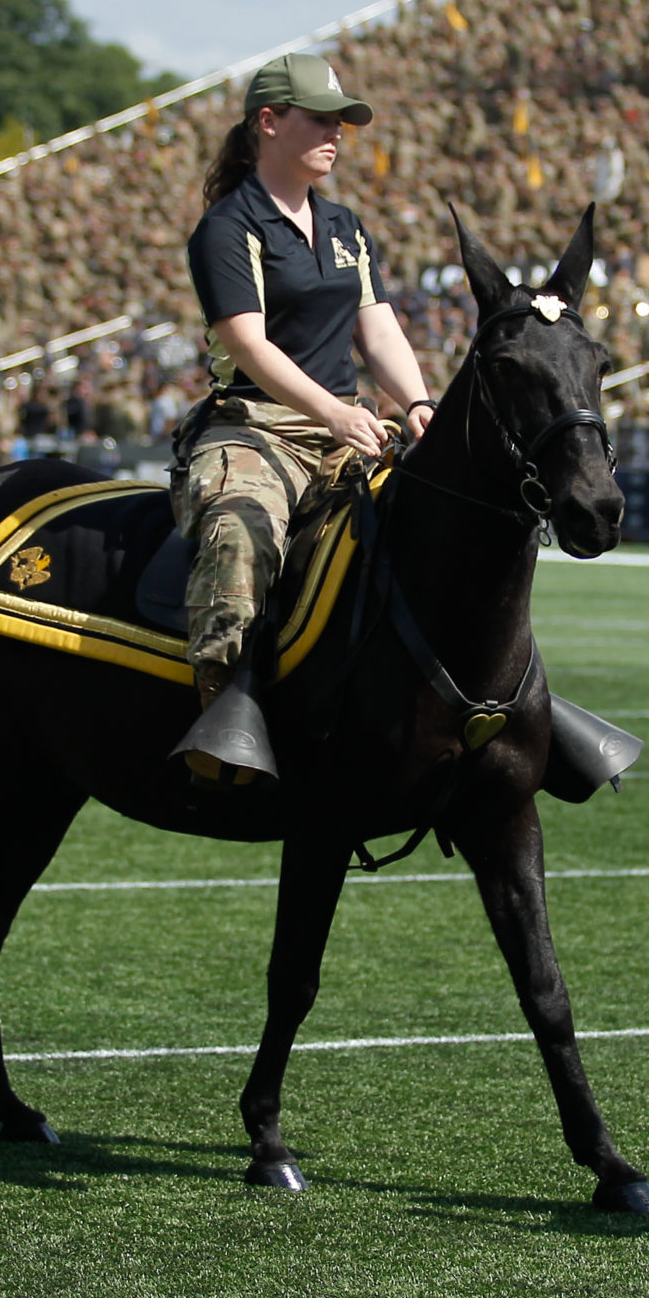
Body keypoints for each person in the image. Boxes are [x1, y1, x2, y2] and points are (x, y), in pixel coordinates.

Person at [172, 52, 432, 774]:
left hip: (351, 429)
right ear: (269, 122)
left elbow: (378, 329)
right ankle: (222, 727)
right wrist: (332, 413)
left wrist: (417, 402)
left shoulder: (346, 226)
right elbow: (248, 346)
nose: (336, 133)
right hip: (255, 428)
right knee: (239, 536)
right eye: (320, 119)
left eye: (341, 121)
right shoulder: (229, 227)